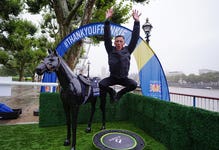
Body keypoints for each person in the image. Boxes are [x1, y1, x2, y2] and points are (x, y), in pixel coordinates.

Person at [99, 8, 141, 103]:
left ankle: (120, 94)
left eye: (120, 41)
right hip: (112, 77)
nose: (118, 43)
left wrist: (137, 22)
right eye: (117, 41)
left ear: (124, 43)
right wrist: (107, 21)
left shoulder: (128, 50)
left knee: (134, 84)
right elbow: (106, 37)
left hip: (124, 78)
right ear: (114, 43)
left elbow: (135, 38)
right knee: (101, 84)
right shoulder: (110, 49)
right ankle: (112, 92)